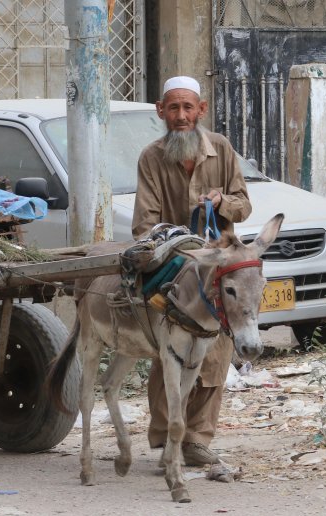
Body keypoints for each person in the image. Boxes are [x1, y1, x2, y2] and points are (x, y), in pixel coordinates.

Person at [132, 75, 252, 465]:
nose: (181, 115)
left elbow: (243, 205)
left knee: (215, 353)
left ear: (201, 110)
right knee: (169, 354)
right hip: (173, 266)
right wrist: (176, 249)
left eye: (188, 108)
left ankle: (197, 440)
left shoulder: (221, 149)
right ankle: (167, 438)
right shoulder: (152, 157)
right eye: (173, 108)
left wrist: (221, 202)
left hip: (218, 266)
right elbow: (144, 223)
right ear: (160, 111)